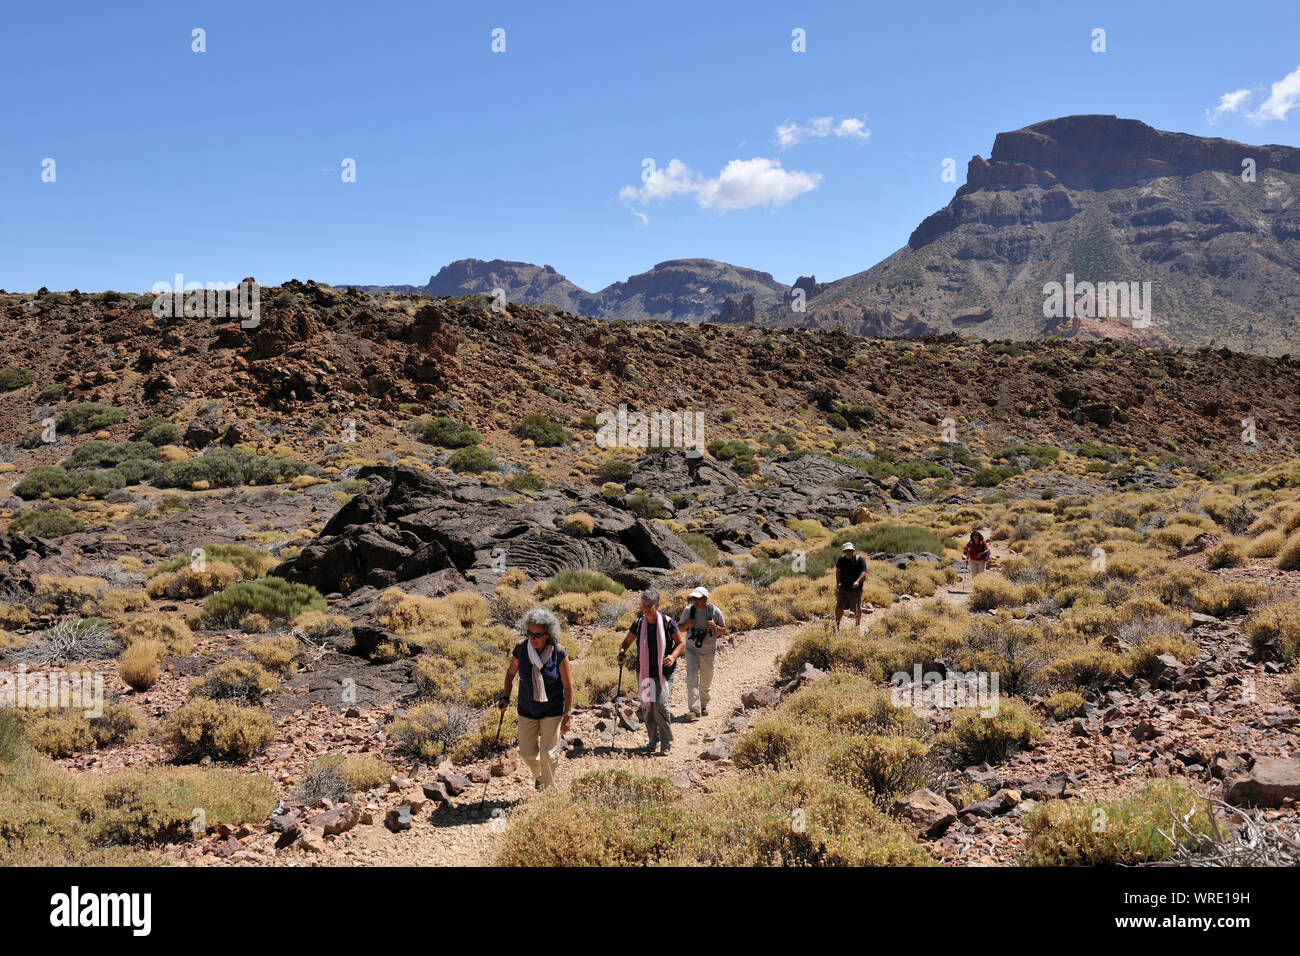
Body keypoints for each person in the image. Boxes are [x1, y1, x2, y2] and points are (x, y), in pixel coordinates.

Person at [499, 607, 573, 790]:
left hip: (552, 711)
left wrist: (567, 713)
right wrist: (505, 697)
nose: (533, 638)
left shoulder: (559, 652)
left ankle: (548, 794)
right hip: (527, 710)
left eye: (538, 635)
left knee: (549, 754)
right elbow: (510, 674)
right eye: (530, 633)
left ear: (548, 634)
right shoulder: (521, 649)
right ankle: (541, 776)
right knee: (527, 753)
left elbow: (568, 685)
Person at [617, 588, 683, 754]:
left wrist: (673, 656)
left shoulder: (668, 622)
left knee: (660, 705)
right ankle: (652, 741)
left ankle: (666, 741)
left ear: (658, 605)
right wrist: (622, 652)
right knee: (648, 708)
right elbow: (626, 642)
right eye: (644, 605)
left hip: (664, 672)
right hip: (644, 672)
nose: (646, 609)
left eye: (650, 606)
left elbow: (680, 643)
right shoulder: (639, 623)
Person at [677, 586, 726, 720]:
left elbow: (724, 629)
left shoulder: (714, 611)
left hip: (708, 651)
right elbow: (679, 628)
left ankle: (703, 705)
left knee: (706, 680)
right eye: (693, 598)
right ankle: (694, 709)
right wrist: (687, 624)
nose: (695, 601)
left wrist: (715, 627)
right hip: (691, 649)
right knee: (691, 678)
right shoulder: (688, 611)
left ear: (705, 599)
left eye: (698, 599)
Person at [835, 541, 868, 628]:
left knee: (857, 608)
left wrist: (858, 581)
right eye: (846, 551)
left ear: (853, 551)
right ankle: (837, 624)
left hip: (855, 589)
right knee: (839, 607)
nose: (848, 553)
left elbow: (864, 572)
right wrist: (837, 583)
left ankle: (857, 624)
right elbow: (838, 571)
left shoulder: (859, 560)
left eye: (849, 551)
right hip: (843, 588)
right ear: (844, 552)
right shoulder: (841, 559)